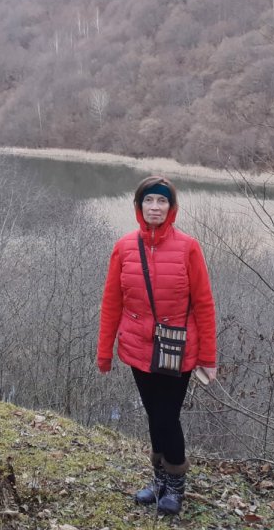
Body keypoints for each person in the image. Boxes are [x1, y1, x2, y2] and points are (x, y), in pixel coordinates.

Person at [97, 175, 217, 515]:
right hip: (137, 347)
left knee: (167, 416)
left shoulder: (188, 247)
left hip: (177, 347)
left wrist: (208, 357)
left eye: (161, 200)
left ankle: (175, 484)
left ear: (171, 207)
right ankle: (160, 480)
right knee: (154, 416)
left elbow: (204, 305)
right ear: (138, 206)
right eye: (148, 200)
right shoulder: (124, 247)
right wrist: (104, 352)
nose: (155, 206)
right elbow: (112, 303)